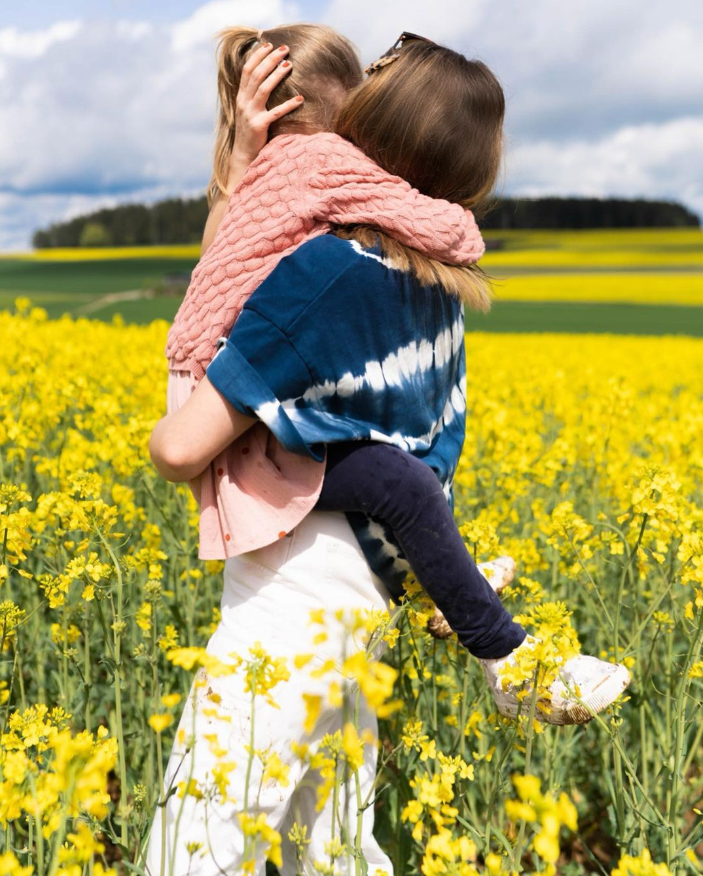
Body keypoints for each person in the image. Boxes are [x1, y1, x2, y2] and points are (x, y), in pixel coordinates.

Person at [144, 29, 631, 876]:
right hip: (368, 590)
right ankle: (503, 648)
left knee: (198, 841)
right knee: (327, 848)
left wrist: (238, 172)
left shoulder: (323, 272)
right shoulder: (433, 280)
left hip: (292, 591)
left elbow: (183, 447)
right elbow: (417, 459)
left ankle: (505, 653)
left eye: (379, 71)